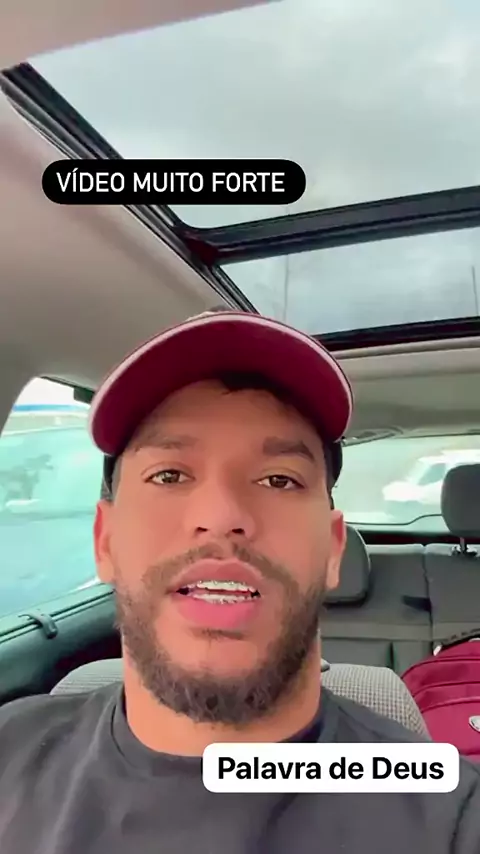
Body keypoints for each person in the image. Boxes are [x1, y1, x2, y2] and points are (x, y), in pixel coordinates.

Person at [0, 309, 479, 854]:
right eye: (169, 475)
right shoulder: (9, 750)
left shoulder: (449, 814)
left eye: (279, 479)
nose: (221, 515)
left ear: (333, 549)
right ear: (104, 542)